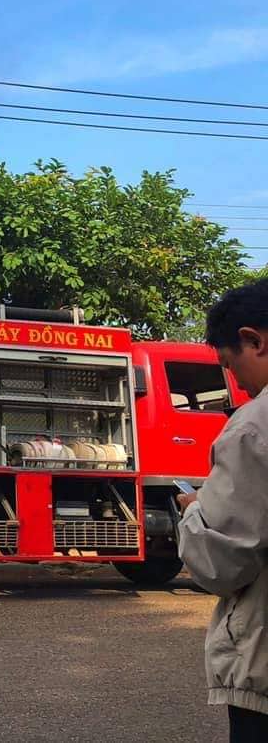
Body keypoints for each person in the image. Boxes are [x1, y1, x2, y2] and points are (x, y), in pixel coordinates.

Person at [177, 278, 268, 742]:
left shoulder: (254, 426)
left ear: (255, 341)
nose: (237, 384)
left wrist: (196, 512)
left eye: (230, 366)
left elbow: (224, 564)